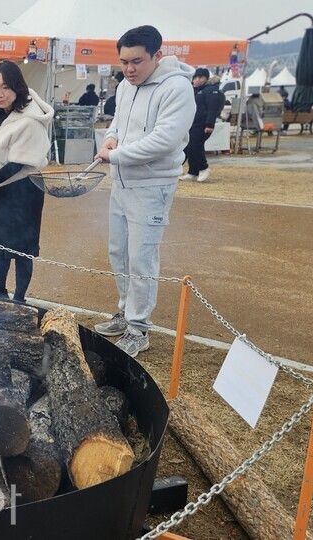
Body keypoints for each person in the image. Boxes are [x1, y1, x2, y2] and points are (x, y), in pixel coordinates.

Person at [93, 25, 195, 357]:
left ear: (157, 55)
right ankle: (125, 313)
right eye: (124, 62)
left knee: (141, 258)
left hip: (152, 186)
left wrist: (116, 155)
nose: (129, 69)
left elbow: (165, 140)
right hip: (121, 183)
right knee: (119, 252)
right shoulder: (126, 86)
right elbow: (117, 124)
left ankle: (139, 328)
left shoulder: (176, 88)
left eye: (137, 61)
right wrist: (111, 138)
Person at [0, 61, 54, 303]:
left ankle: (19, 298)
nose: (0, 94)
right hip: (1, 188)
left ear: (18, 87)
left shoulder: (30, 120)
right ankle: (0, 292)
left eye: (5, 87)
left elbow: (18, 164)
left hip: (26, 188)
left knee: (22, 248)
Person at [179, 67, 220, 182]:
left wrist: (209, 124)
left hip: (203, 124)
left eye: (200, 77)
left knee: (195, 146)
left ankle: (204, 167)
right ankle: (193, 172)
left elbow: (212, 109)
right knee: (189, 147)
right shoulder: (194, 90)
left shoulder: (211, 90)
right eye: (195, 77)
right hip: (192, 123)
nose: (196, 80)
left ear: (205, 78)